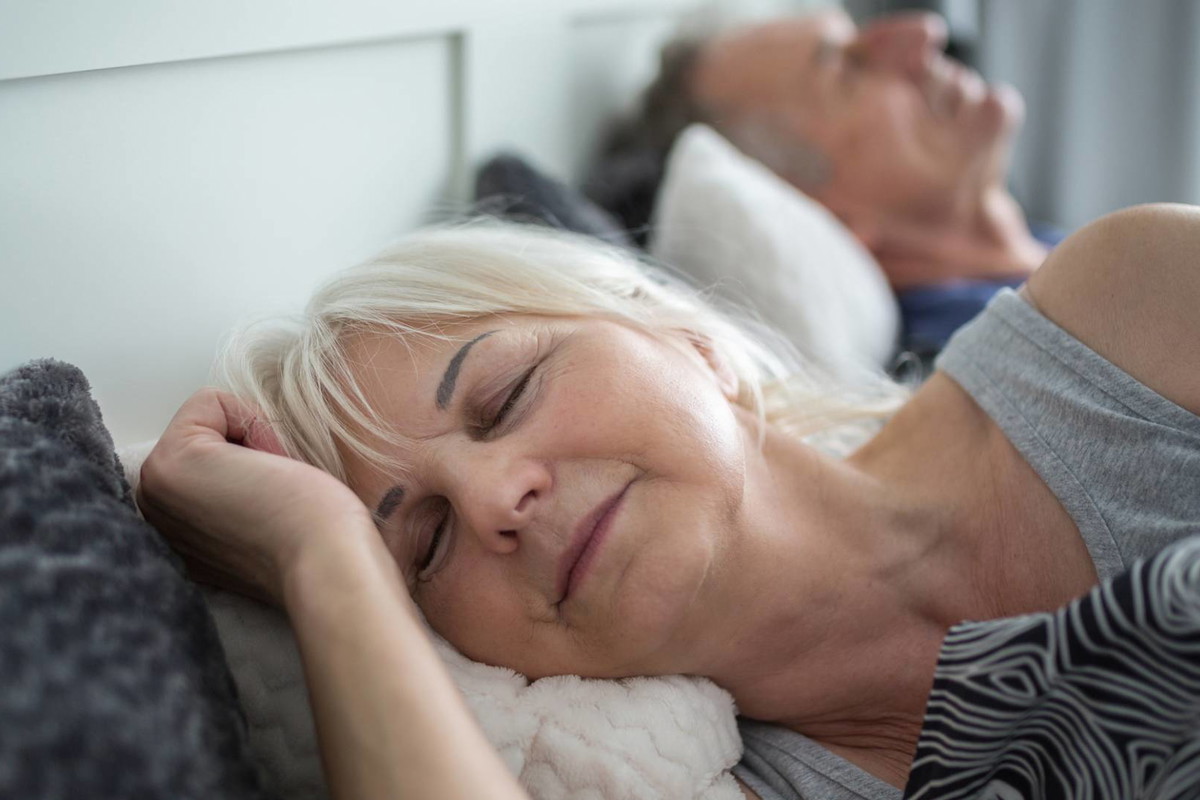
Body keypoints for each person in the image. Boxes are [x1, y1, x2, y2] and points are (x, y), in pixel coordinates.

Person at [136, 202, 1200, 799]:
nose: (502, 495)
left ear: (683, 337)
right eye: (425, 544)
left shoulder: (1125, 318)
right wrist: (322, 553)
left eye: (505, 395)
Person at [592, 7, 1060, 362]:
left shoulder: (1051, 260)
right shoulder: (1001, 366)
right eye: (848, 69)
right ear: (823, 213)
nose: (923, 30)